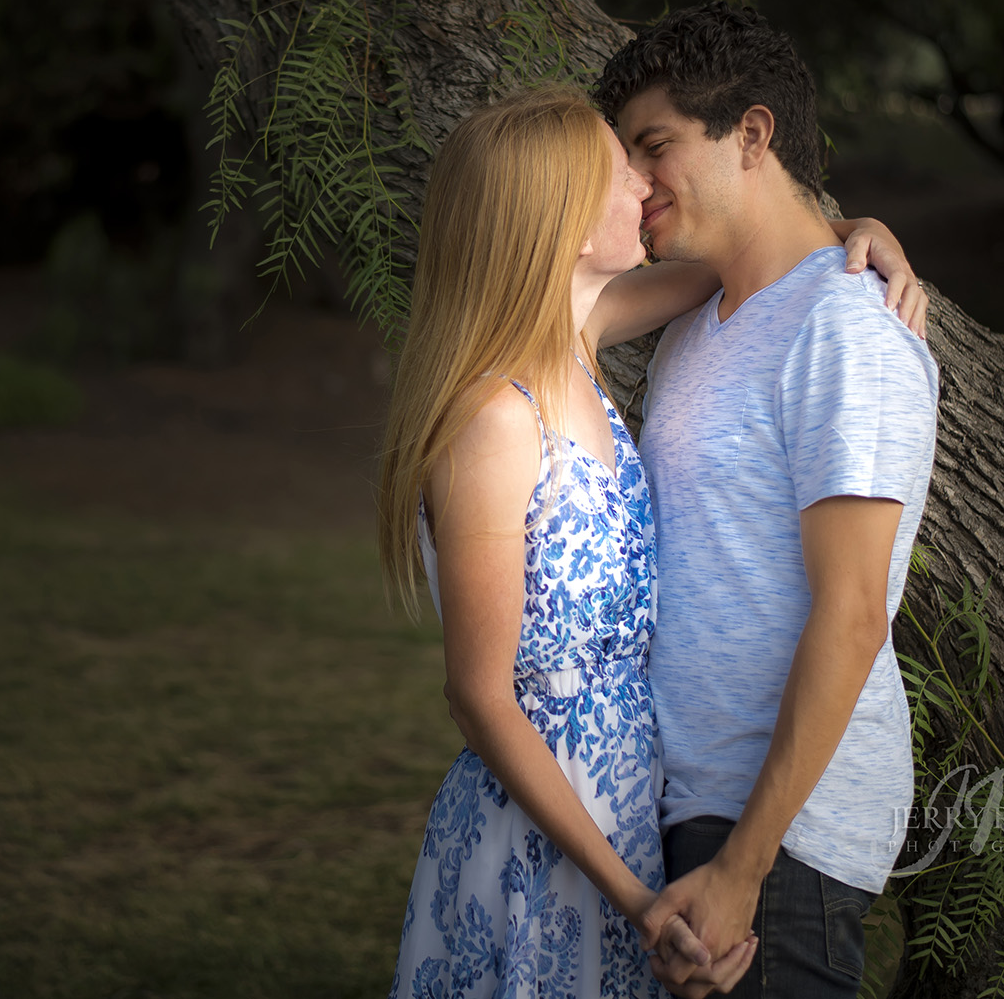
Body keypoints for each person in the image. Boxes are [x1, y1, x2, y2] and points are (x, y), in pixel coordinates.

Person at [379, 84, 928, 998]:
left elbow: (751, 251)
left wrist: (862, 228)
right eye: (617, 167)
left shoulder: (578, 340)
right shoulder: (493, 419)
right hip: (548, 831)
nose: (642, 182)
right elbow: (479, 696)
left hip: (635, 799)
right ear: (555, 219)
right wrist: (635, 896)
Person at [600, 3, 942, 998]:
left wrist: (746, 865)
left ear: (752, 134)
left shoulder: (847, 329)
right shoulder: (701, 321)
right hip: (689, 799)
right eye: (624, 156)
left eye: (654, 145)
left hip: (782, 830)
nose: (634, 179)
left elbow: (853, 611)